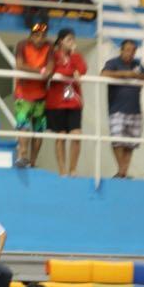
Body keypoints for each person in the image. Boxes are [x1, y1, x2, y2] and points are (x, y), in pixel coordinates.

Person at [100, 38, 144, 178]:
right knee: (117, 140)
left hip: (135, 110)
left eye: (133, 50)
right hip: (117, 109)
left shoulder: (137, 64)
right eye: (127, 50)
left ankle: (122, 172)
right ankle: (122, 171)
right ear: (121, 50)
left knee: (130, 144)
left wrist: (138, 75)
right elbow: (104, 74)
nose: (130, 53)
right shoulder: (113, 63)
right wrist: (125, 74)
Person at [45, 28, 87, 178]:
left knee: (76, 136)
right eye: (69, 39)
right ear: (61, 40)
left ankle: (73, 169)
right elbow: (55, 71)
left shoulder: (76, 56)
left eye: (73, 39)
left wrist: (74, 58)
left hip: (74, 102)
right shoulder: (53, 55)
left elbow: (82, 69)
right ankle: (62, 170)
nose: (72, 42)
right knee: (60, 136)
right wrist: (71, 72)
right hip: (56, 102)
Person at [14, 23, 52, 169]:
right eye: (36, 35)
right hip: (23, 93)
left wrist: (44, 71)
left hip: (41, 94)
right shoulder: (22, 45)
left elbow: (50, 68)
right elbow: (20, 65)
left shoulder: (49, 47)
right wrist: (40, 72)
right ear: (31, 35)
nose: (40, 38)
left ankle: (33, 161)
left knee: (39, 130)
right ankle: (22, 155)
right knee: (23, 125)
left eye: (43, 35)